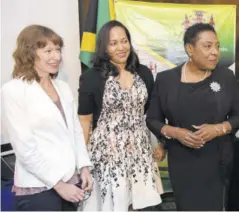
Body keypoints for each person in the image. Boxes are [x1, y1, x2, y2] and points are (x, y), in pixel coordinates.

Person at [146, 23, 239, 211]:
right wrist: (175, 132)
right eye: (207, 46)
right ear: (189, 49)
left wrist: (218, 129)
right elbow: (152, 120)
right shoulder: (166, 80)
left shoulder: (225, 77)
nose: (215, 52)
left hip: (217, 161)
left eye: (217, 46)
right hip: (182, 162)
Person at [1, 25, 93, 211]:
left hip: (71, 181)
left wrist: (84, 167)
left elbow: (75, 131)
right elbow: (24, 148)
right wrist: (58, 185)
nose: (56, 56)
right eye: (48, 51)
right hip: (39, 187)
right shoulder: (14, 90)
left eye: (58, 49)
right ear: (29, 53)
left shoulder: (63, 87)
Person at [77, 20, 163, 211]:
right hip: (108, 155)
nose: (121, 47)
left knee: (145, 205)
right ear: (104, 47)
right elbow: (84, 122)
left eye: (124, 41)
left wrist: (156, 143)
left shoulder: (144, 73)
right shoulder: (91, 78)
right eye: (113, 43)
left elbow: (147, 113)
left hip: (140, 151)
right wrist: (81, 162)